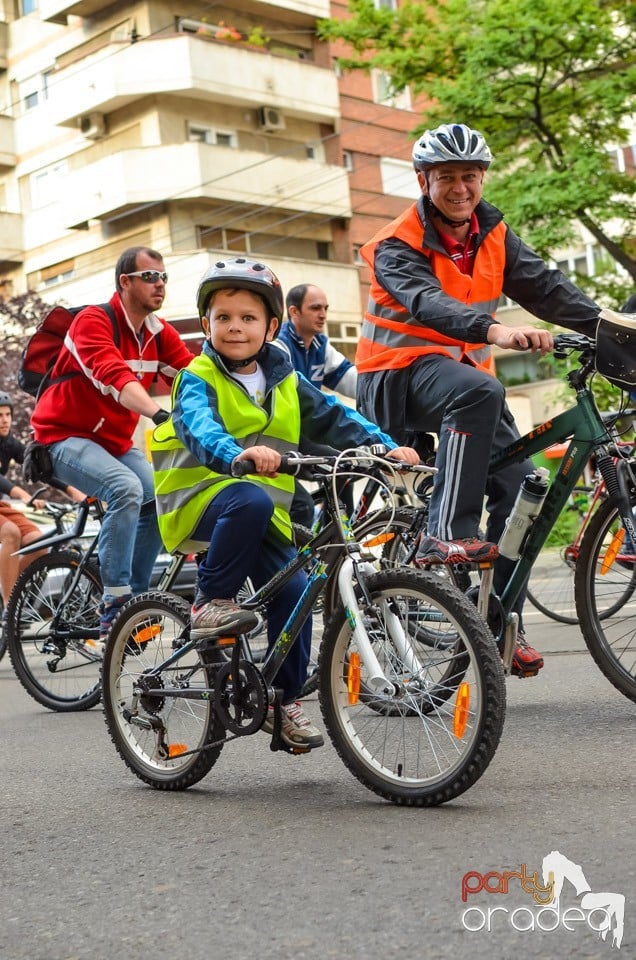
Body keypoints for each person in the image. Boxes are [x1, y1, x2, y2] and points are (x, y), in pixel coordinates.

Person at [355, 122, 600, 677]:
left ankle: (492, 625)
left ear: (483, 178)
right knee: (481, 390)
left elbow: (547, 289)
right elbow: (426, 303)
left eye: (470, 176)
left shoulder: (494, 234)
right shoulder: (396, 244)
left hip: (464, 382)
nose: (461, 187)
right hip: (395, 377)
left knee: (521, 489)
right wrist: (495, 331)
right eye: (447, 177)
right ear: (423, 180)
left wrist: (612, 328)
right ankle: (445, 533)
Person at [150, 257, 418, 749]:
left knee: (296, 592)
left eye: (248, 318)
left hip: (258, 511)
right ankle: (210, 602)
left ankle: (281, 699)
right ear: (206, 324)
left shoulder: (286, 378)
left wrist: (385, 446)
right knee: (250, 499)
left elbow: (337, 417)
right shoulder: (197, 375)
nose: (235, 327)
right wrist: (238, 454)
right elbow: (199, 427)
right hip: (200, 501)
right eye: (223, 317)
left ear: (272, 325)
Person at [30, 246, 195, 645]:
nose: (160, 285)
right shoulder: (93, 322)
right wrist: (157, 414)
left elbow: (193, 376)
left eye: (164, 277)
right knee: (125, 488)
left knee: (161, 495)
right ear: (126, 282)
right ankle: (114, 599)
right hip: (61, 436)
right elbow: (113, 375)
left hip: (113, 443)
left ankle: (135, 598)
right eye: (150, 277)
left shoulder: (159, 333)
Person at [276, 284, 358, 525]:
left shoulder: (320, 344)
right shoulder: (280, 345)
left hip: (307, 431)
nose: (322, 314)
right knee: (304, 503)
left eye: (325, 308)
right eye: (315, 308)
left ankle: (332, 546)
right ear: (294, 312)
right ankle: (310, 557)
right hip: (283, 435)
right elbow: (303, 398)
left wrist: (385, 395)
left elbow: (353, 381)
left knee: (344, 469)